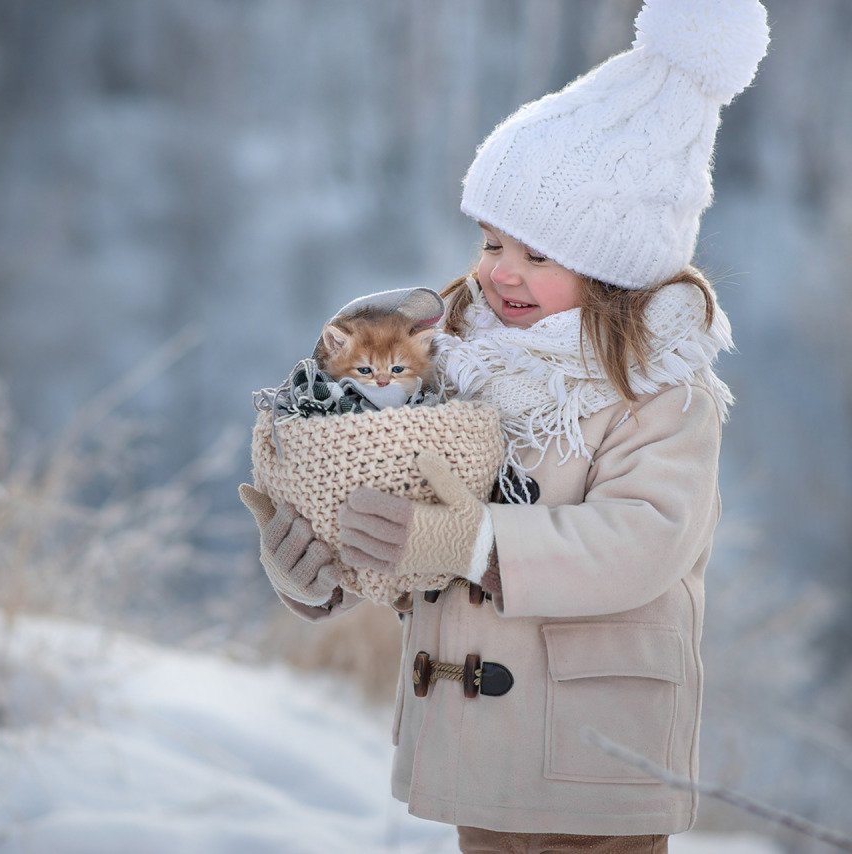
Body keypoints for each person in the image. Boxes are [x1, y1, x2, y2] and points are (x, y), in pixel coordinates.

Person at [239, 0, 770, 851]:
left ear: (613, 268)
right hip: (477, 754)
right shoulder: (451, 362)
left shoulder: (663, 393)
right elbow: (400, 516)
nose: (500, 273)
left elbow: (645, 539)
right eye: (491, 242)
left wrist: (473, 543)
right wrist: (322, 565)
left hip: (596, 761)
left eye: (538, 254)